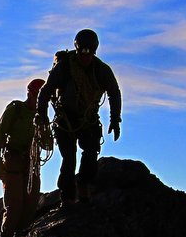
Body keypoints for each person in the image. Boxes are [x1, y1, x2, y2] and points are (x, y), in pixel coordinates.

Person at [36, 29, 122, 208]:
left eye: (89, 51)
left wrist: (115, 119)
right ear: (77, 48)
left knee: (90, 153)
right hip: (65, 119)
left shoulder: (101, 70)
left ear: (94, 50)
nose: (85, 54)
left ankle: (84, 188)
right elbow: (46, 90)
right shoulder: (65, 67)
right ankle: (67, 196)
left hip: (88, 119)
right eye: (82, 50)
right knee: (69, 158)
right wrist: (41, 114)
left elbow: (114, 93)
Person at [0, 78, 49, 237]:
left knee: (31, 204)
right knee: (14, 206)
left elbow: (48, 144)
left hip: (30, 163)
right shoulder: (16, 110)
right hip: (13, 162)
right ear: (30, 95)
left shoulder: (42, 117)